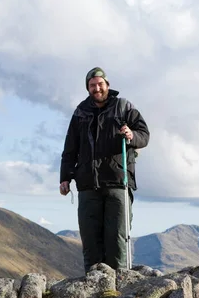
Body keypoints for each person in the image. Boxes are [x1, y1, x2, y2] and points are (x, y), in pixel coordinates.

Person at [59, 67, 150, 273]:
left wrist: (131, 135)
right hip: (87, 184)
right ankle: (94, 286)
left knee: (117, 237)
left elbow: (144, 134)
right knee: (90, 239)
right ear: (88, 88)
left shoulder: (123, 107)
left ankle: (118, 287)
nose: (97, 88)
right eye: (92, 85)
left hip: (118, 181)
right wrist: (65, 178)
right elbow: (70, 149)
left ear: (107, 85)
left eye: (100, 84)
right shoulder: (80, 112)